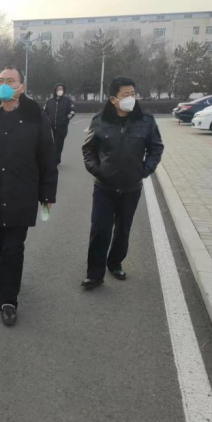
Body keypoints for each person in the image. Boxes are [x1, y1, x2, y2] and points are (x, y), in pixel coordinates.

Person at [0, 66, 58, 326]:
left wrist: (47, 194)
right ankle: (7, 276)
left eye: (10, 80)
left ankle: (8, 301)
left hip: (22, 193)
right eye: (1, 80)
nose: (4, 85)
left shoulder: (36, 118)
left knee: (13, 248)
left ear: (21, 87)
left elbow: (47, 158)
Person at [81, 77, 164, 290]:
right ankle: (94, 274)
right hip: (104, 186)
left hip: (131, 187)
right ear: (113, 99)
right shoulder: (100, 120)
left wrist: (145, 170)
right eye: (125, 94)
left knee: (123, 229)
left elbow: (156, 148)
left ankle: (115, 263)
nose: (131, 98)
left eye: (133, 94)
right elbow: (88, 149)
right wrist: (96, 170)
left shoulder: (145, 120)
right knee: (100, 229)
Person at [44, 83, 75, 165]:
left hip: (62, 127)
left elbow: (72, 112)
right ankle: (53, 158)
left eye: (61, 89)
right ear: (55, 90)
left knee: (58, 143)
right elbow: (44, 112)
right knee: (51, 143)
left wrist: (65, 119)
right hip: (51, 127)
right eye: (58, 89)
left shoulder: (67, 101)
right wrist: (46, 120)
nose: (60, 90)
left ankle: (56, 160)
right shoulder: (50, 101)